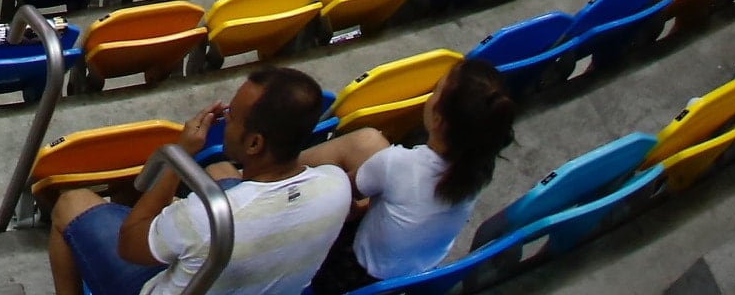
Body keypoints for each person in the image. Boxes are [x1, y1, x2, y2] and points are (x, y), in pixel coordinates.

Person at [44, 65, 349, 295]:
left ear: (255, 144)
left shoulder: (207, 220)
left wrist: (179, 157)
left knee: (70, 202)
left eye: (232, 116)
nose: (224, 119)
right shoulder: (337, 185)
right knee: (221, 172)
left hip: (169, 276)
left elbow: (130, 245)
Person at [299, 60, 517, 292]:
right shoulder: (476, 168)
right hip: (408, 276)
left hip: (348, 275)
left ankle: (276, 170)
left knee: (337, 175)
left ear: (437, 119)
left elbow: (341, 193)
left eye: (435, 91)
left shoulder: (398, 164)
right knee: (368, 142)